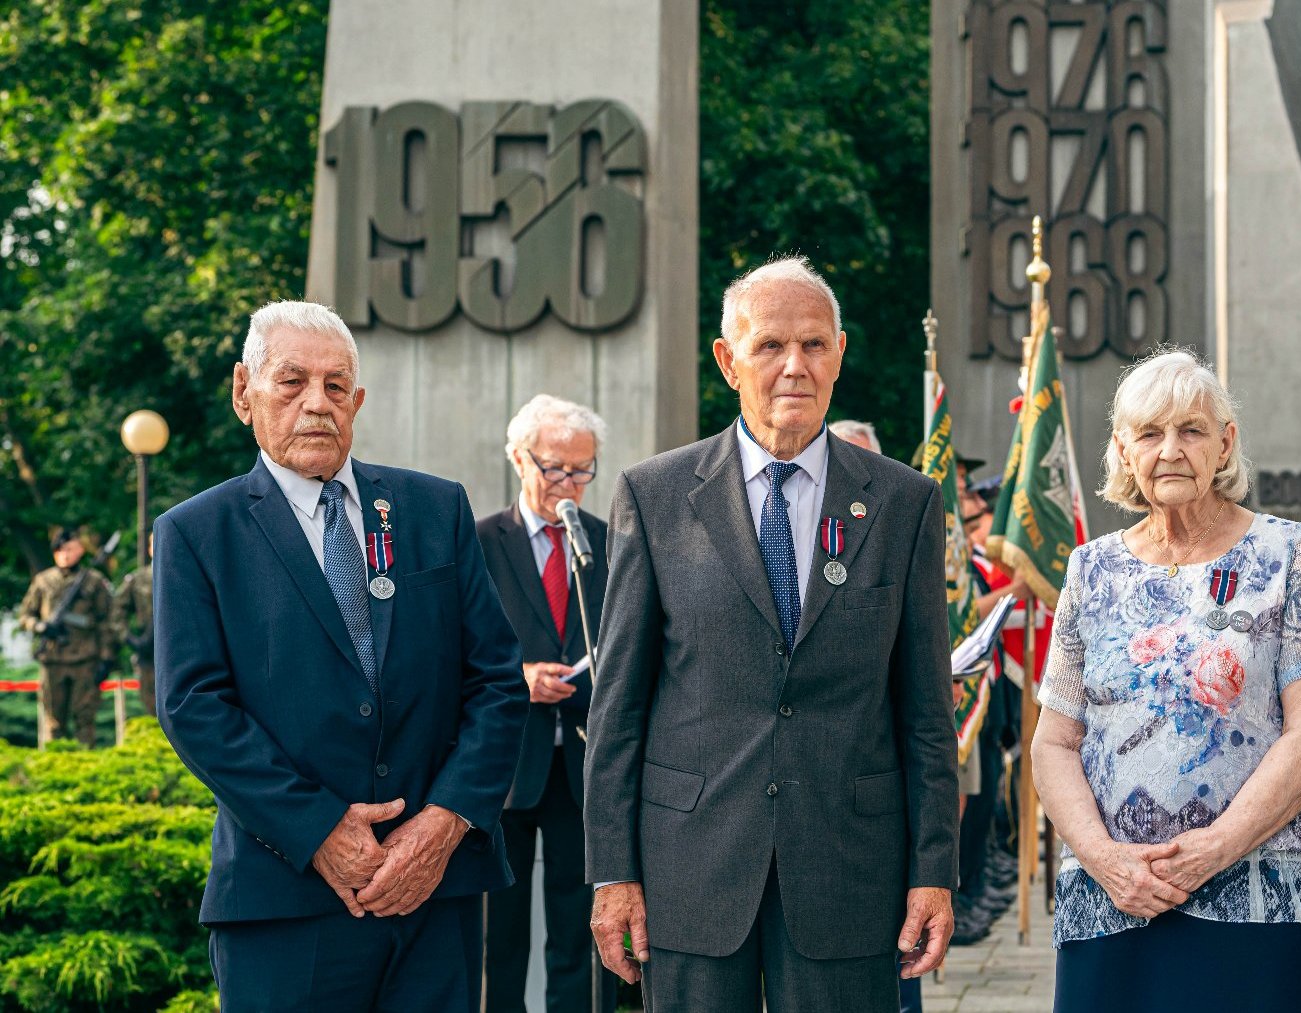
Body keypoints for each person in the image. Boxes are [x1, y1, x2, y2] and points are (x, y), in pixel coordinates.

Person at [584, 256, 960, 1012]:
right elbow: (617, 707)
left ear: (841, 354)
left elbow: (926, 714)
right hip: (690, 869)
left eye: (815, 345)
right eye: (770, 346)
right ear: (728, 361)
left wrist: (934, 871)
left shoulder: (904, 503)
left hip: (850, 872)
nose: (796, 365)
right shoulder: (654, 496)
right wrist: (612, 873)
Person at [155, 300, 528, 1011]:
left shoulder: (434, 508)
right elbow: (193, 706)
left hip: (434, 893)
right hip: (284, 899)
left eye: (335, 386)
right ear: (244, 391)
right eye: (291, 382)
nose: (316, 404)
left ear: (357, 401)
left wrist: (445, 821)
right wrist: (321, 828)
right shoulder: (197, 533)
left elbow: (497, 684)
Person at [1032, 348, 1301, 1012]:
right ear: (1122, 448)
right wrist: (1104, 858)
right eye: (1149, 432)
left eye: (1191, 430)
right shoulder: (1090, 569)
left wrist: (1217, 847)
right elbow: (1053, 742)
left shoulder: (1287, 552)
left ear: (1225, 442)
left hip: (1267, 897)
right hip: (1113, 898)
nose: (1170, 449)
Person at [477, 395, 616, 1013]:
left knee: (580, 927)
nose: (569, 485)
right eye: (555, 468)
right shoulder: (479, 541)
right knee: (495, 932)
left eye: (582, 471)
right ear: (518, 458)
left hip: (584, 767)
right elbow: (451, 650)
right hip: (502, 766)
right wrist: (519, 675)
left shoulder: (608, 544)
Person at [18, 528, 115, 747]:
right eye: (60, 550)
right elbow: (25, 616)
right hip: (53, 660)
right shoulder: (43, 581)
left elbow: (107, 621)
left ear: (80, 550)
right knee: (54, 722)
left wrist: (107, 657)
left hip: (85, 660)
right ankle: (56, 764)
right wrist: (40, 626)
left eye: (70, 549)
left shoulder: (93, 581)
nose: (65, 554)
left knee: (85, 720)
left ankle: (85, 769)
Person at [111, 532, 156, 717]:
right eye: (155, 543)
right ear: (149, 549)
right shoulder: (138, 579)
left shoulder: (185, 574)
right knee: (152, 705)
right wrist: (129, 639)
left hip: (181, 651)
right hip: (147, 652)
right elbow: (116, 611)